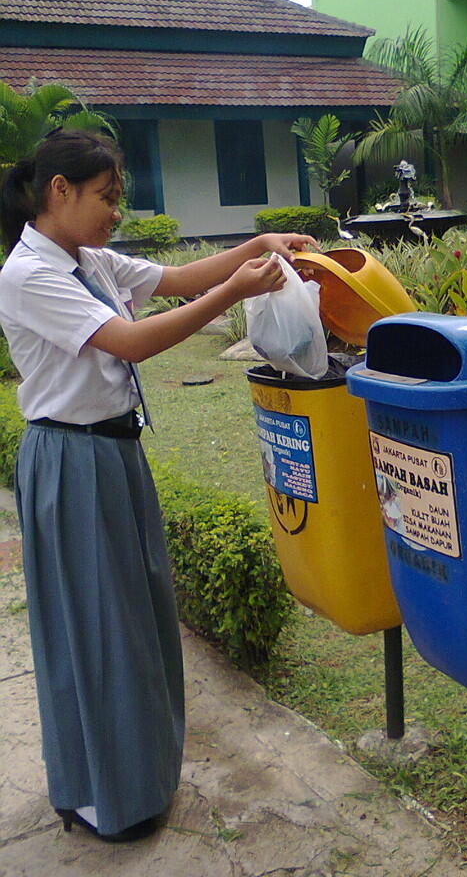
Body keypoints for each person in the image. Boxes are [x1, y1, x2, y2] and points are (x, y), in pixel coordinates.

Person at [0, 129, 320, 842]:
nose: (116, 211)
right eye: (106, 197)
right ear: (60, 191)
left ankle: (139, 779)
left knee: (137, 621)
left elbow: (176, 279)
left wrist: (260, 248)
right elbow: (132, 341)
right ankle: (101, 797)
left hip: (114, 454)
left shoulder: (87, 258)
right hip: (72, 459)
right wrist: (236, 290)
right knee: (98, 629)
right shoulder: (29, 275)